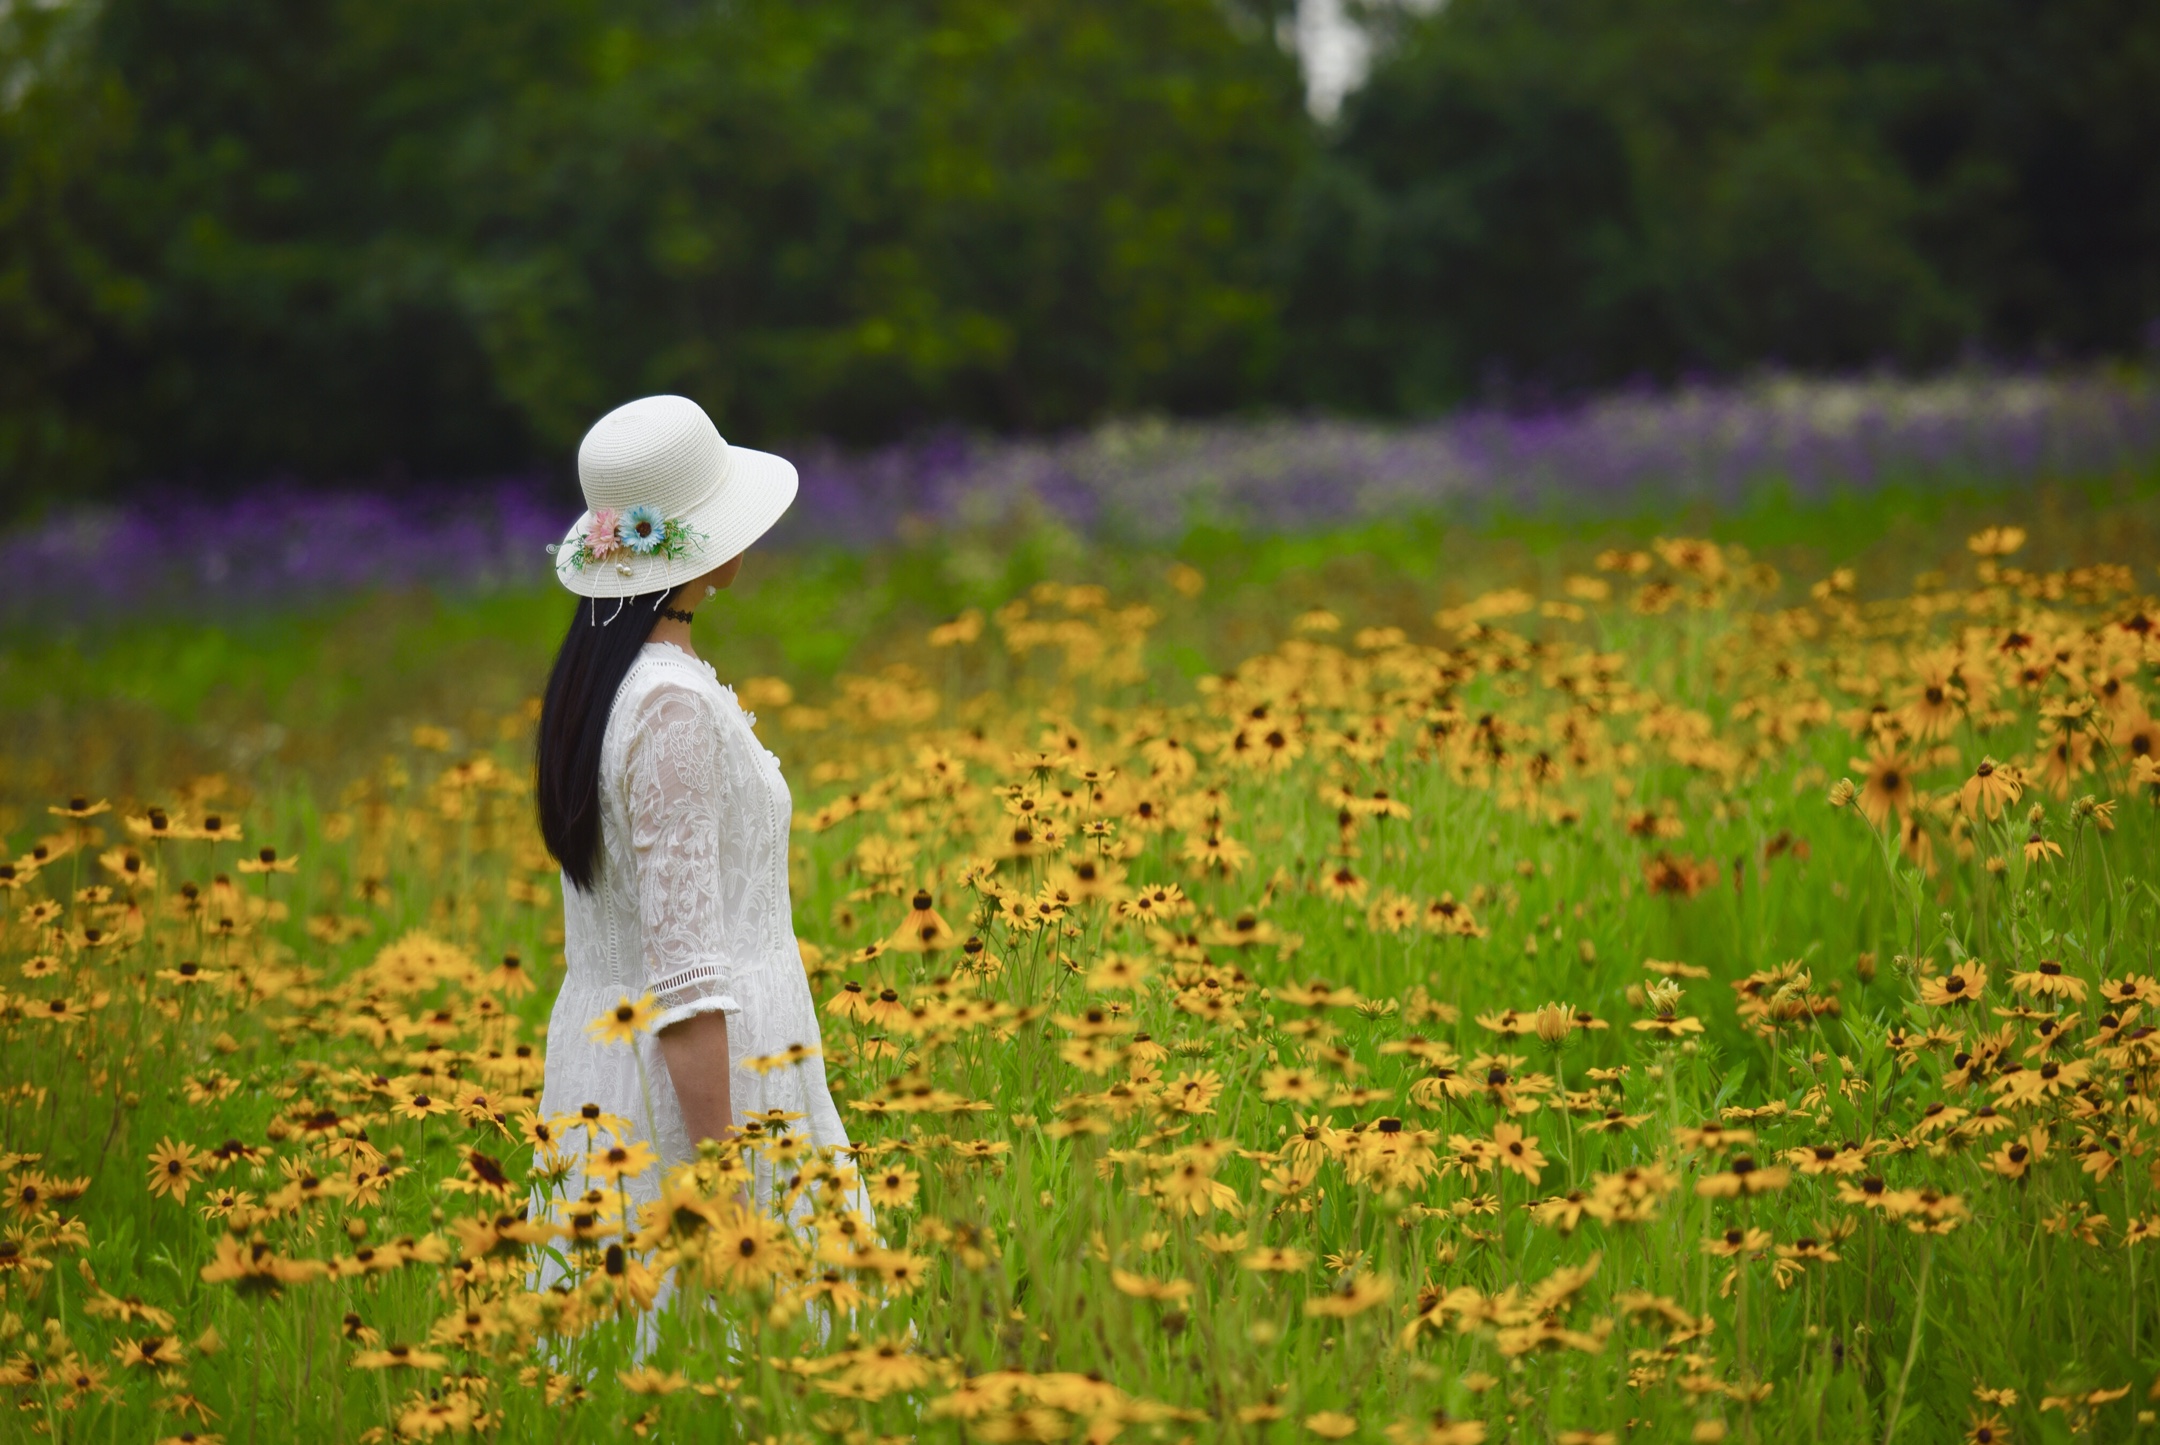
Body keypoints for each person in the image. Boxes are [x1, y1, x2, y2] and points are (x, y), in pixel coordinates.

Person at [530, 394, 859, 1246]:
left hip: (616, 1069)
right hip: (703, 1098)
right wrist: (720, 1191)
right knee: (739, 1351)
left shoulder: (610, 684)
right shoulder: (668, 704)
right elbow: (684, 979)